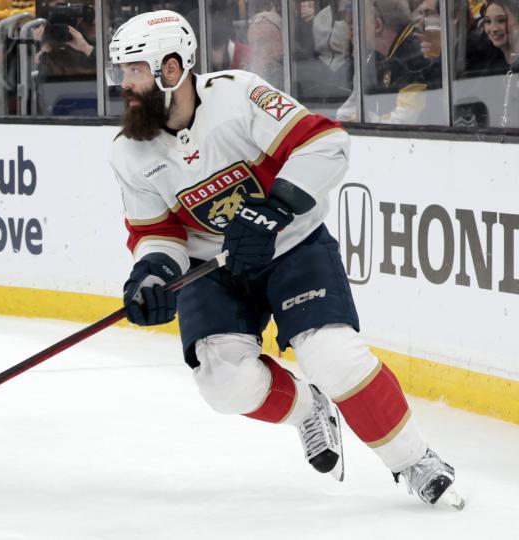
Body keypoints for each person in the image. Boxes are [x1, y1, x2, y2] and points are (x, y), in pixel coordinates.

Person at [106, 9, 464, 509]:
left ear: (171, 68)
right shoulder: (130, 150)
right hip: (215, 270)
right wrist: (152, 275)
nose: (124, 83)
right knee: (222, 383)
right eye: (120, 71)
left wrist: (275, 209)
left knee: (332, 356)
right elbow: (155, 231)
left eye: (134, 70)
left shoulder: (238, 94)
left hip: (293, 244)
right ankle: (307, 410)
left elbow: (326, 142)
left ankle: (415, 459)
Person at [336, 0, 442, 123]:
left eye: (357, 21)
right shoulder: (373, 56)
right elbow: (346, 111)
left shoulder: (415, 58)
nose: (352, 29)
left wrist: (361, 118)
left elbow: (402, 123)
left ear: (377, 25)